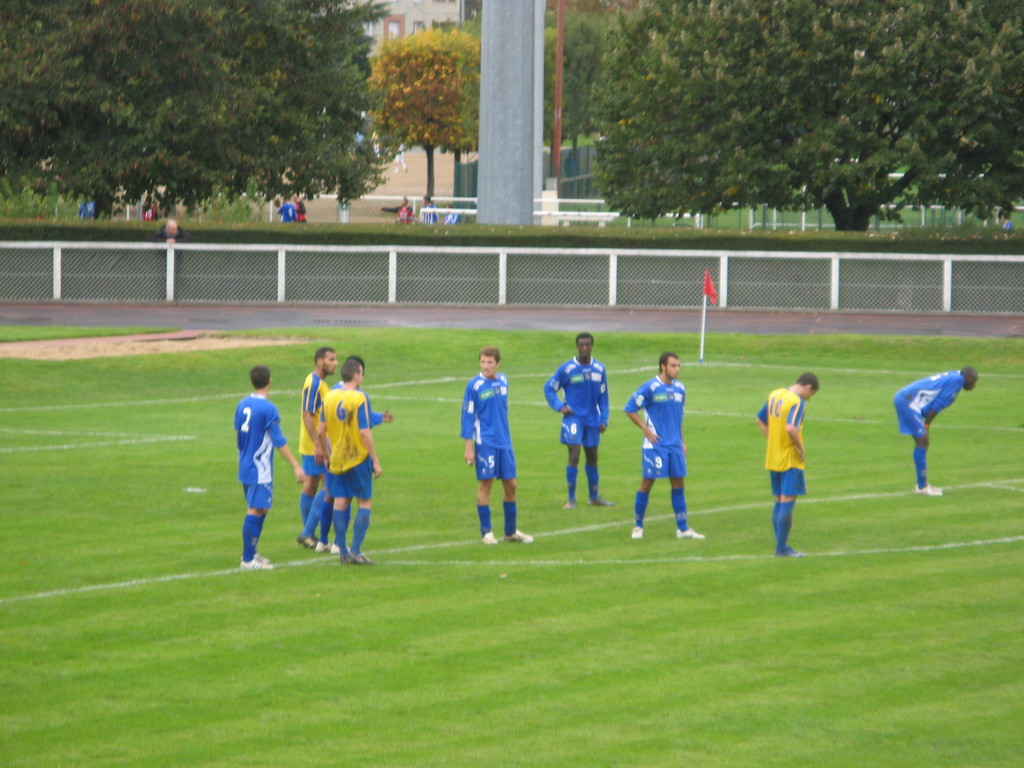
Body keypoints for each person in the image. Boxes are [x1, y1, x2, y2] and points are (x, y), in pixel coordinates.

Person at [312, 355, 393, 553]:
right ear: (356, 375)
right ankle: (355, 551)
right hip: (358, 457)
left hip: (337, 457)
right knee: (364, 501)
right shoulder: (359, 397)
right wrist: (375, 460)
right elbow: (364, 432)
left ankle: (341, 549)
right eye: (362, 374)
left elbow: (321, 432)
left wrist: (328, 455)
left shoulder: (329, 397)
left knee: (340, 500)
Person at [623, 352, 704, 541]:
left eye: (678, 366)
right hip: (655, 446)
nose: (677, 369)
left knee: (678, 484)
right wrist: (645, 429)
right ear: (663, 367)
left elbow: (679, 418)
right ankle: (638, 526)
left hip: (674, 445)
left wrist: (682, 441)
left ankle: (682, 529)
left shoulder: (680, 389)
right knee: (647, 482)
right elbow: (629, 408)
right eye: (673, 366)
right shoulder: (650, 388)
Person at [235, 365, 305, 570]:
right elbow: (279, 441)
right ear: (270, 381)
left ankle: (253, 552)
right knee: (255, 509)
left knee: (262, 507)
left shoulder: (242, 405)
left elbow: (238, 432)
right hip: (259, 467)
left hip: (245, 464)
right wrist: (295, 466)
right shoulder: (268, 408)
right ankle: (247, 559)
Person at [461, 346, 533, 545]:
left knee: (511, 485)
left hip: (505, 442)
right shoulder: (474, 386)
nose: (485, 366)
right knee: (486, 484)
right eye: (482, 362)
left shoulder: (504, 381)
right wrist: (469, 447)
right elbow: (467, 416)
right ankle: (487, 532)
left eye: (489, 362)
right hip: (485, 442)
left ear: (498, 364)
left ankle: (510, 532)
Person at [543, 332, 613, 509]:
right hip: (573, 418)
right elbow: (549, 388)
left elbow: (603, 397)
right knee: (574, 454)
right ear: (577, 346)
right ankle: (571, 499)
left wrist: (604, 419)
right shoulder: (567, 369)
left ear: (592, 346)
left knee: (592, 457)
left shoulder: (599, 368)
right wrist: (560, 406)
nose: (584, 348)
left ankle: (594, 497)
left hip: (592, 419)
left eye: (587, 345)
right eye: (581, 345)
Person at [756, 373, 820, 557]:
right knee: (787, 502)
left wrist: (772, 439)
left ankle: (780, 544)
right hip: (790, 459)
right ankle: (782, 548)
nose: (810, 398)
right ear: (808, 387)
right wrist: (800, 449)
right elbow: (791, 428)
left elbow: (760, 420)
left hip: (773, 456)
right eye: (812, 394)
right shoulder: (797, 402)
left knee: (778, 501)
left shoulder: (775, 394)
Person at [893, 367, 978, 496]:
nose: (974, 386)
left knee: (923, 441)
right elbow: (938, 405)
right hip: (909, 401)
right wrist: (926, 424)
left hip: (906, 398)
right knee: (922, 440)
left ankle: (923, 484)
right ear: (968, 379)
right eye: (974, 382)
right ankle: (922, 487)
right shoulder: (958, 381)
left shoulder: (954, 375)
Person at [295, 346, 338, 551]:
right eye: (331, 359)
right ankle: (309, 532)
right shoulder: (314, 384)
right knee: (328, 486)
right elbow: (307, 414)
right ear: (320, 361)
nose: (335, 363)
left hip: (310, 443)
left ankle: (309, 535)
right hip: (317, 444)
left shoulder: (317, 383)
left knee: (311, 484)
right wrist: (318, 445)